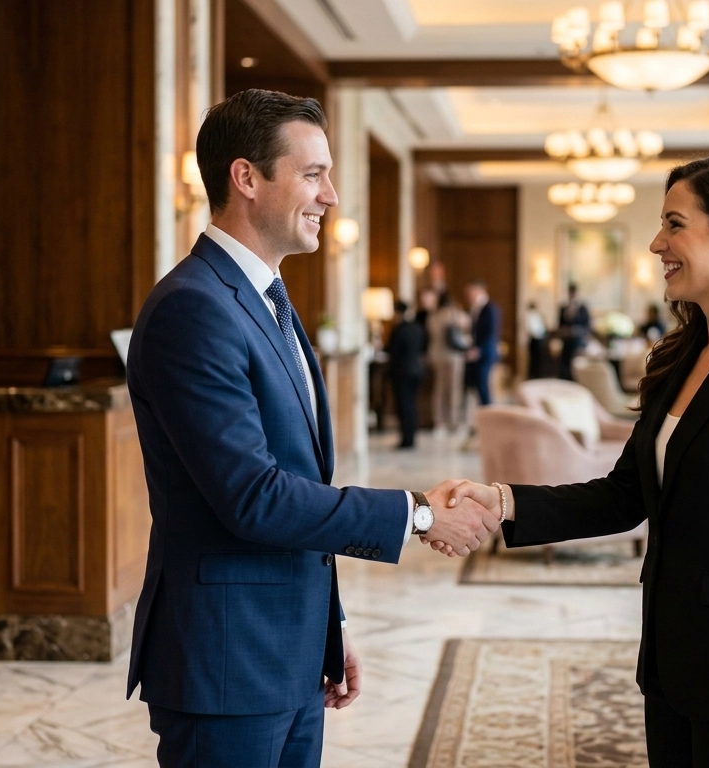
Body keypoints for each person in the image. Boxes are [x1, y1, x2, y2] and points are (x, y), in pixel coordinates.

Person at [123, 89, 498, 768]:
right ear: (246, 178)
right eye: (313, 174)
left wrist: (331, 624)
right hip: (228, 661)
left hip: (291, 650)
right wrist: (417, 514)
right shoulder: (193, 308)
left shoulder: (267, 296)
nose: (331, 196)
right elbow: (253, 497)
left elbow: (300, 481)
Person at [436, 156, 709, 768]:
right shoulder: (680, 356)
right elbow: (625, 494)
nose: (656, 244)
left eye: (674, 225)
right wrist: (503, 501)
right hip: (673, 668)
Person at [426, 291, 470, 434]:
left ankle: (439, 422)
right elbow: (467, 324)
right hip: (453, 357)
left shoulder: (434, 316)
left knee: (439, 389)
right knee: (454, 390)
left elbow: (430, 333)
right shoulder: (455, 314)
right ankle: (453, 421)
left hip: (437, 356)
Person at [387, 300, 426, 449]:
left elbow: (393, 350)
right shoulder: (418, 327)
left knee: (404, 406)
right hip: (417, 369)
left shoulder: (399, 330)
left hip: (402, 372)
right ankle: (411, 437)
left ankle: (406, 439)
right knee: (412, 405)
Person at [464, 281, 500, 407]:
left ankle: (488, 413)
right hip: (476, 352)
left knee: (483, 384)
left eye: (470, 292)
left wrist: (478, 349)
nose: (468, 295)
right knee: (477, 385)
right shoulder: (474, 309)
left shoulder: (490, 308)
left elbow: (491, 332)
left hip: (486, 352)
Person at [557, 283, 591, 379]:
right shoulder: (563, 308)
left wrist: (575, 331)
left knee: (575, 361)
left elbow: (587, 326)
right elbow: (559, 325)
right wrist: (564, 331)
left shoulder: (583, 309)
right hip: (566, 341)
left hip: (578, 341)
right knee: (565, 362)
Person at [525, 301, 548, 379]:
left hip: (539, 339)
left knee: (538, 359)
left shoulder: (537, 315)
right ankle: (534, 376)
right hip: (535, 339)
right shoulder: (531, 316)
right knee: (534, 360)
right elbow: (532, 329)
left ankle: (537, 375)